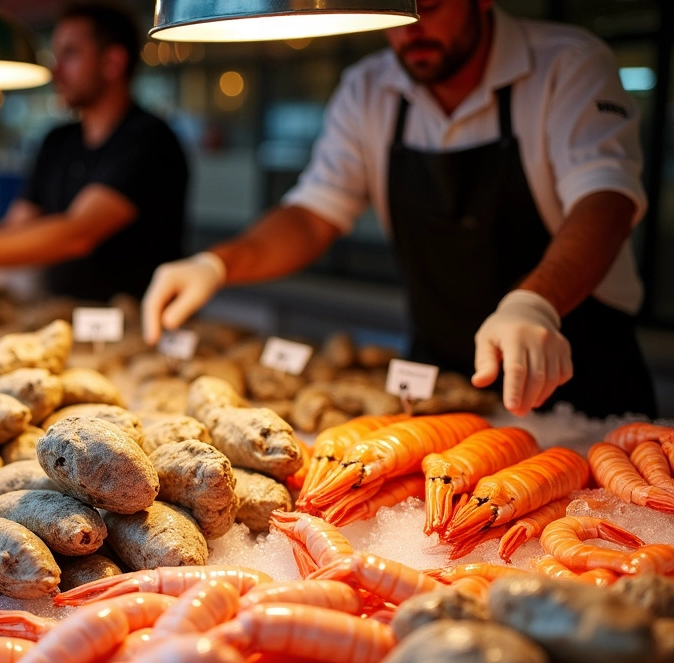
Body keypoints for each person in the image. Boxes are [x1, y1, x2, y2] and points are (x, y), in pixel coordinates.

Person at [142, 0, 654, 419]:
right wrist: (218, 263)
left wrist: (535, 303)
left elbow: (604, 199)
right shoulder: (369, 88)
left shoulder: (567, 63)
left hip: (579, 368)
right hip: (438, 373)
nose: (413, 30)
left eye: (428, 6)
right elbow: (312, 214)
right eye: (396, 13)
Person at [0, 2, 189, 304]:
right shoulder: (58, 141)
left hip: (140, 323)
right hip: (61, 312)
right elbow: (18, 225)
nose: (56, 70)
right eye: (56, 55)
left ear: (113, 62)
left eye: (70, 54)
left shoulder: (149, 140)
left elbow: (79, 232)